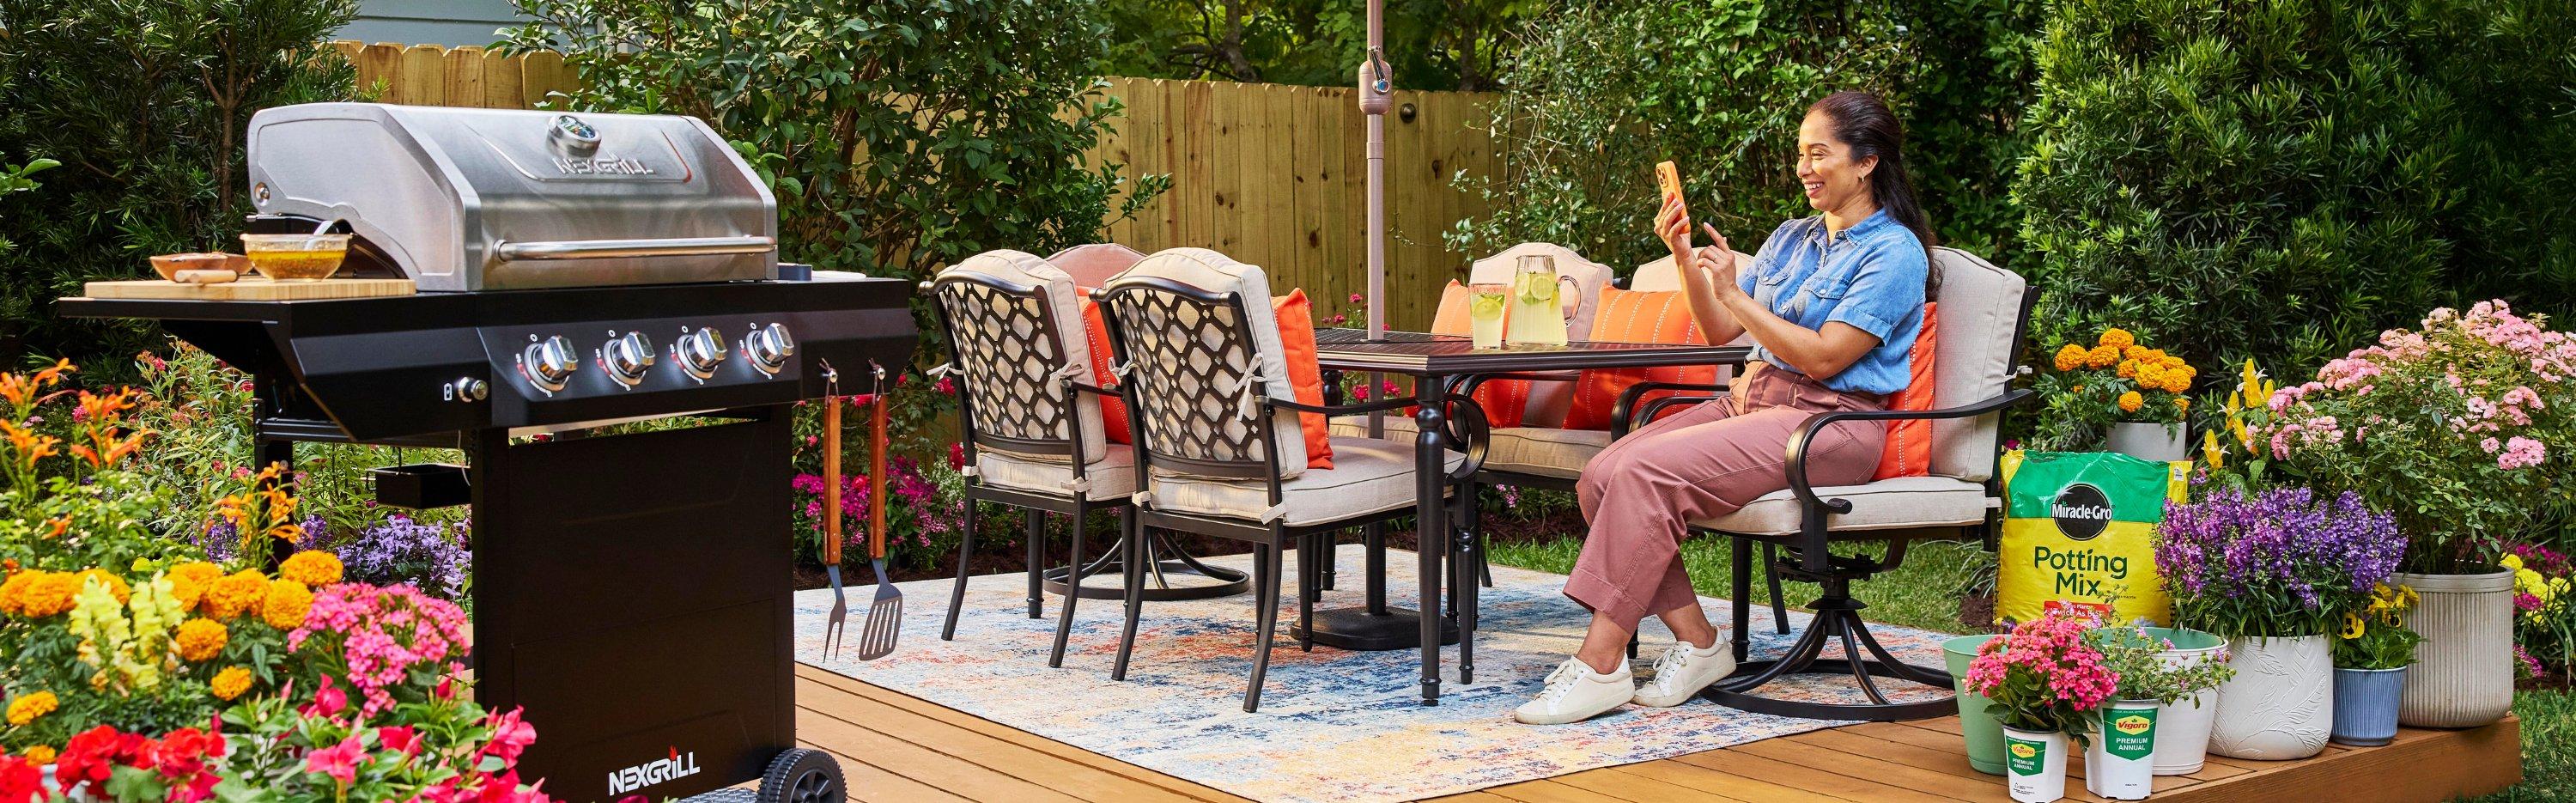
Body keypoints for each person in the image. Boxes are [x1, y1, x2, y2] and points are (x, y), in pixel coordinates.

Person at [1515, 90, 1936, 725]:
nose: (1805, 168)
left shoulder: (1893, 253)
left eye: (1819, 153)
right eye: (1800, 154)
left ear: (1867, 161)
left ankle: (1600, 663)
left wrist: (1737, 294)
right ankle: (1702, 644)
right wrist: (1686, 259)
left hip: (1829, 423)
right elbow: (1718, 330)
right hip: (1753, 402)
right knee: (1601, 475)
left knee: (1644, 474)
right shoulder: (1792, 239)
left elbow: (1824, 357)